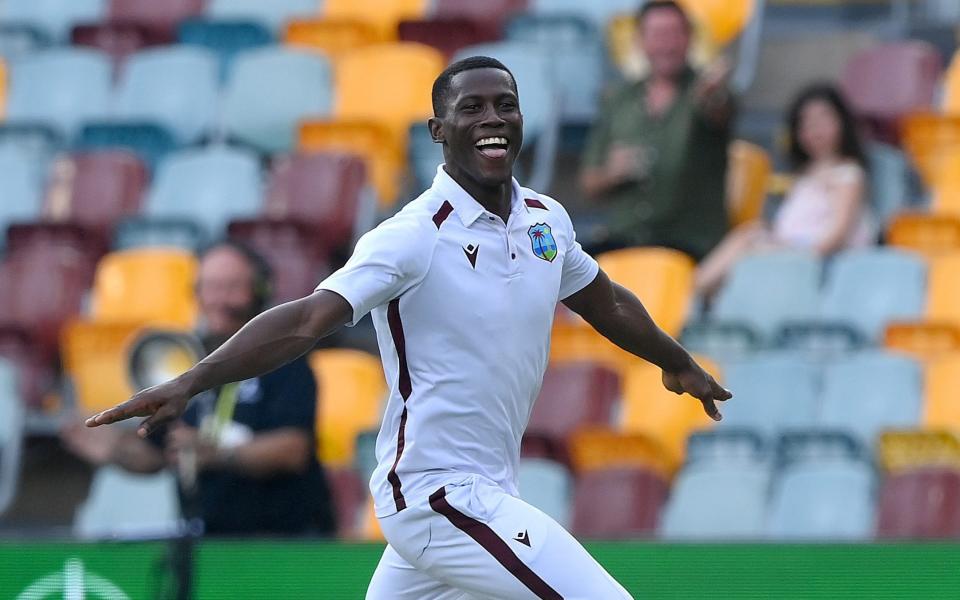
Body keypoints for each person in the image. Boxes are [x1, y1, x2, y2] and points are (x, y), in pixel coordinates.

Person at [85, 56, 731, 599]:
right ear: (438, 129)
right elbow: (309, 317)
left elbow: (606, 301)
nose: (492, 120)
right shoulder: (411, 236)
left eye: (504, 105)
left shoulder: (545, 220)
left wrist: (675, 360)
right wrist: (193, 379)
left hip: (475, 492)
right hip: (436, 496)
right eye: (471, 109)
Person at [63, 241, 335, 537]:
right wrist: (113, 448)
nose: (220, 299)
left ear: (260, 291)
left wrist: (215, 454)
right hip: (206, 539)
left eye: (232, 287)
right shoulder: (183, 361)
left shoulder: (285, 358)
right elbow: (159, 454)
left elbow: (292, 451)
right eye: (211, 287)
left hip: (283, 541)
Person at [579, 0, 734, 261]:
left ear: (689, 39)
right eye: (657, 35)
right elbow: (588, 184)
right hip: (625, 241)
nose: (666, 44)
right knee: (562, 274)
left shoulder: (703, 91)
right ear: (641, 41)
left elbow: (722, 111)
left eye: (674, 34)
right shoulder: (619, 100)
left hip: (688, 246)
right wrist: (612, 174)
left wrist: (713, 95)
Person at [694, 83, 873, 297]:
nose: (815, 129)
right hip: (791, 255)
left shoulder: (847, 175)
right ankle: (691, 293)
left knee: (749, 242)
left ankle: (690, 293)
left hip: (818, 264)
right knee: (749, 235)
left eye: (823, 119)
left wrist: (796, 254)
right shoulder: (804, 176)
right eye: (807, 123)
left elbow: (836, 235)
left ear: (842, 122)